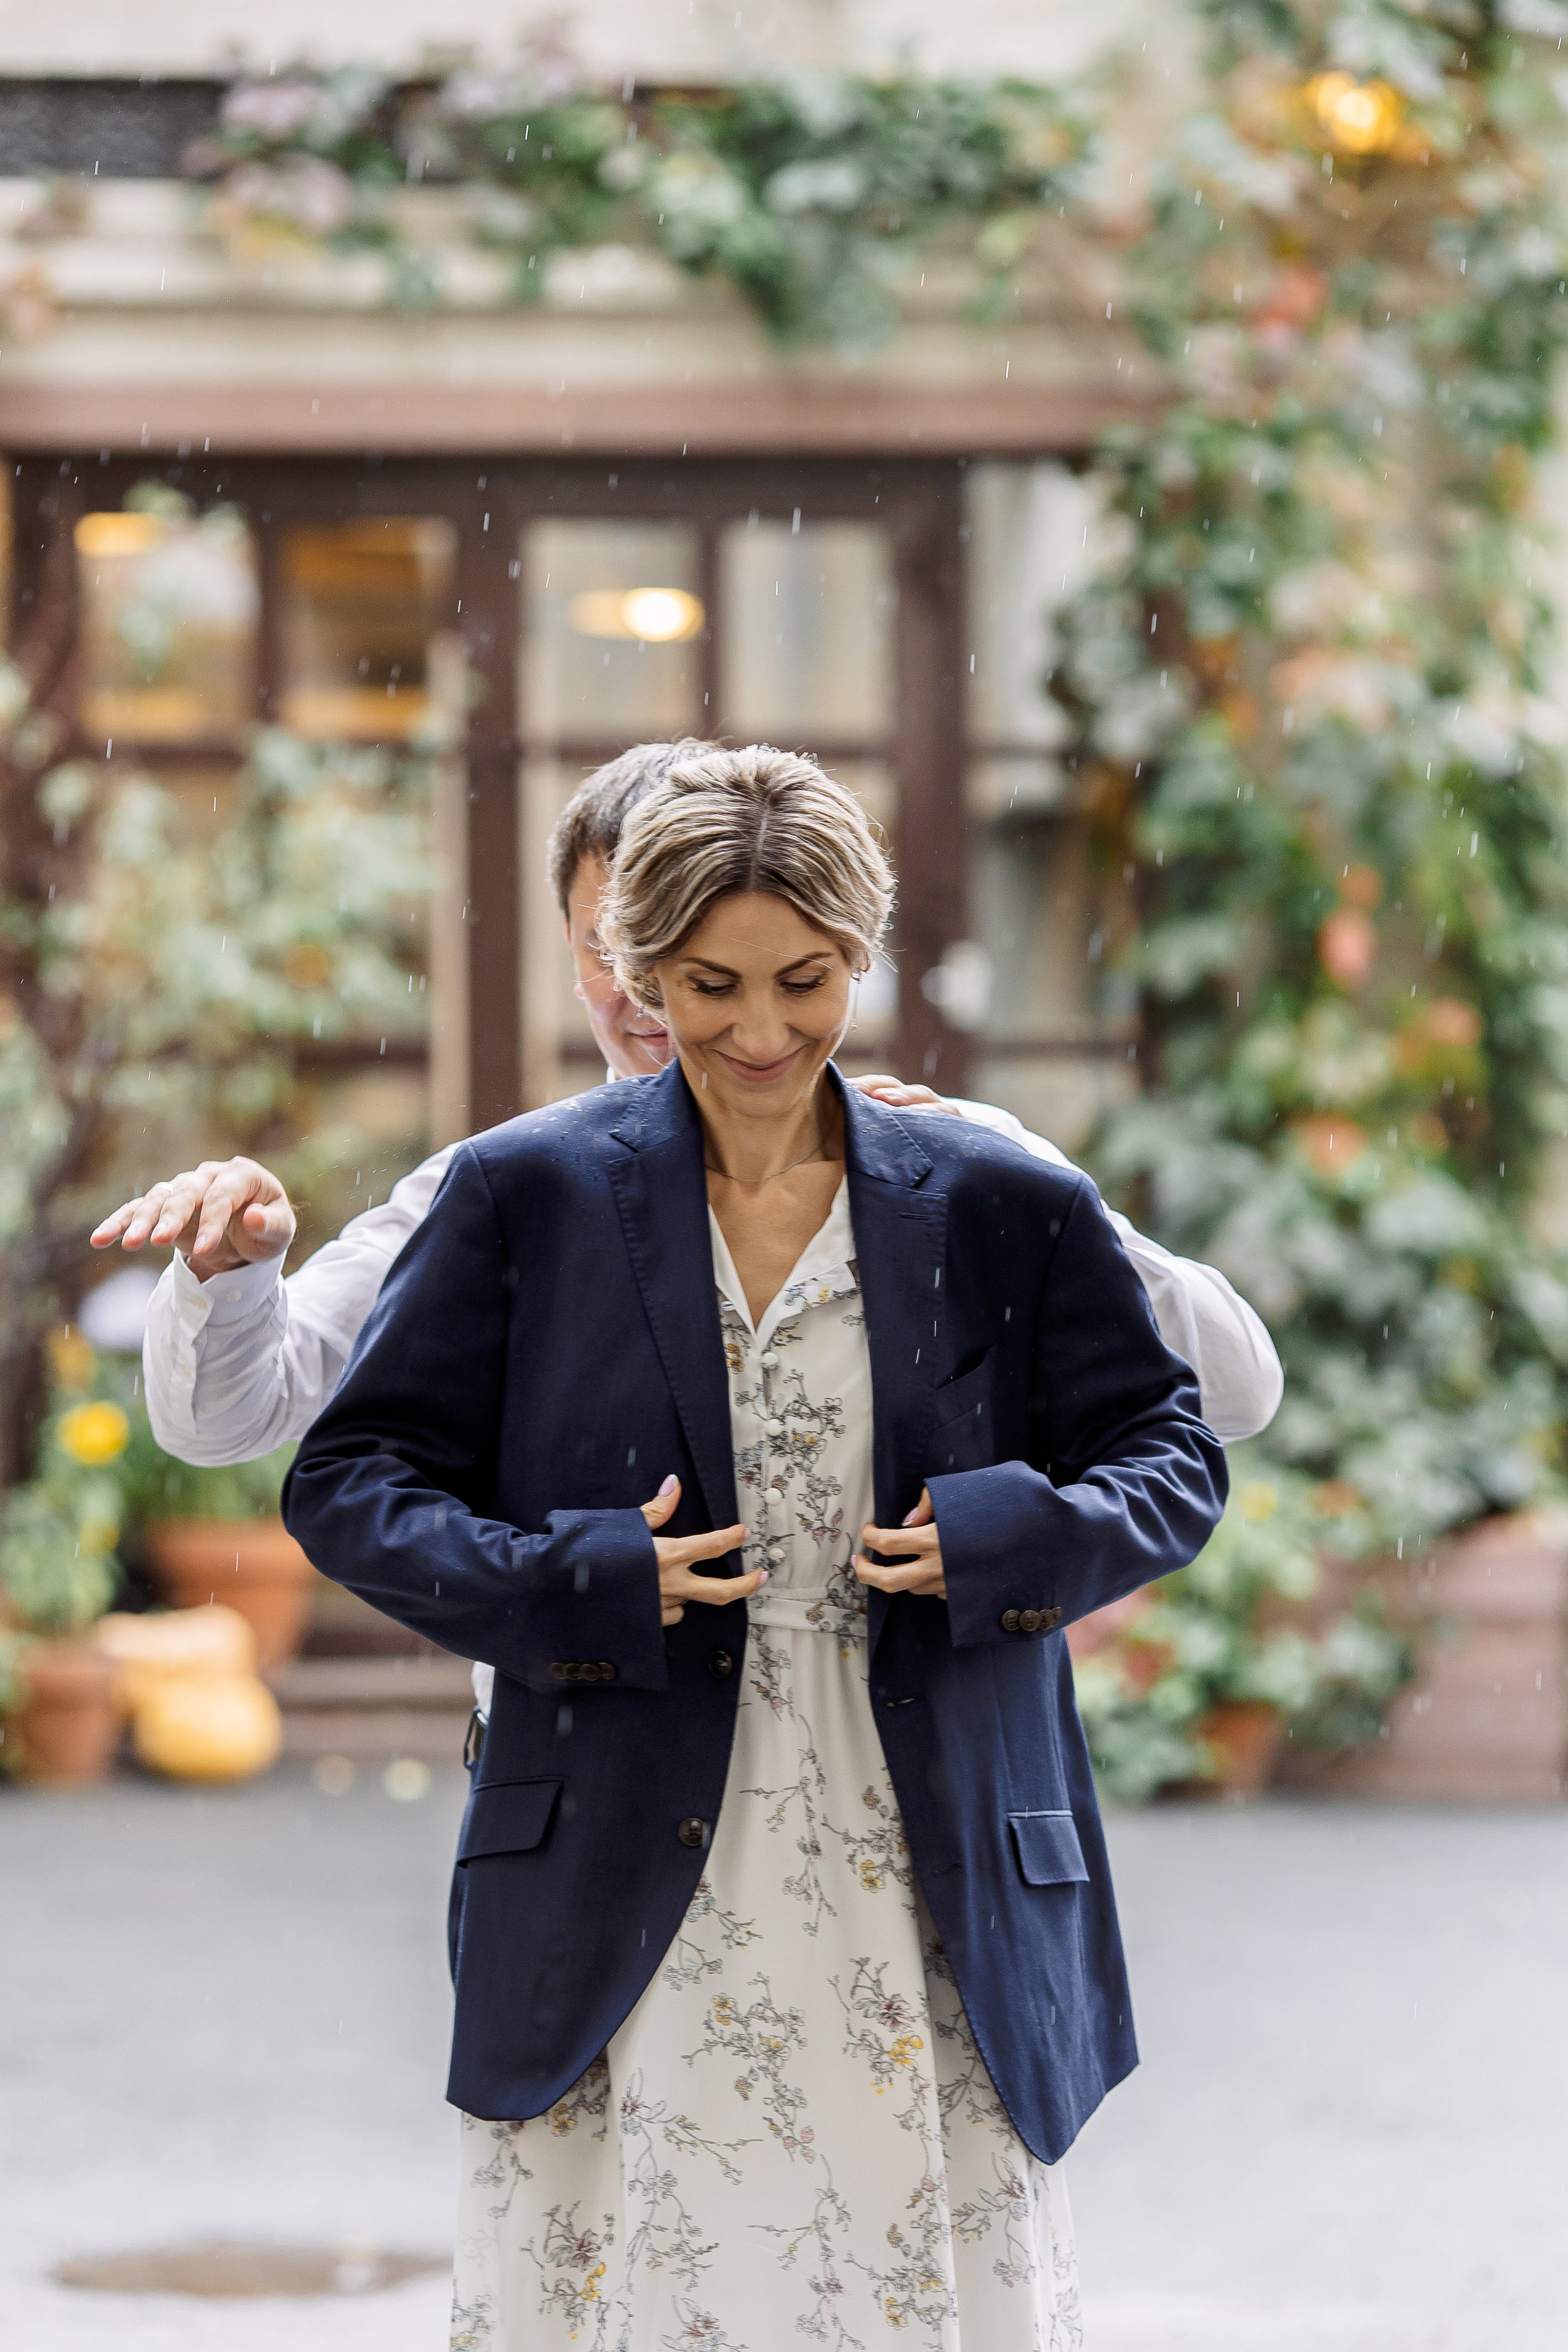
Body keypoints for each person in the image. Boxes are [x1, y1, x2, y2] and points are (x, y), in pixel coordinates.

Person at [282, 744, 1227, 2348]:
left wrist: (1009, 1541)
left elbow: (1173, 1454)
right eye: (711, 986)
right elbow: (351, 1483)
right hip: (624, 1850)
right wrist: (578, 1582)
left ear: (861, 955)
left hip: (924, 1862)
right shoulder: (523, 1198)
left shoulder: (1001, 1198)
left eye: (806, 981)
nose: (763, 1032)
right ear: (640, 970)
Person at [92, 739, 1281, 1497]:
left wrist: (1028, 1196)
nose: (652, 992)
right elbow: (230, 1418)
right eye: (615, 950)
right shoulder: (506, 1193)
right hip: (596, 1775)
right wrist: (231, 1273)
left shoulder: (964, 1166)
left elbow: (1231, 1391)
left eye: (702, 956)